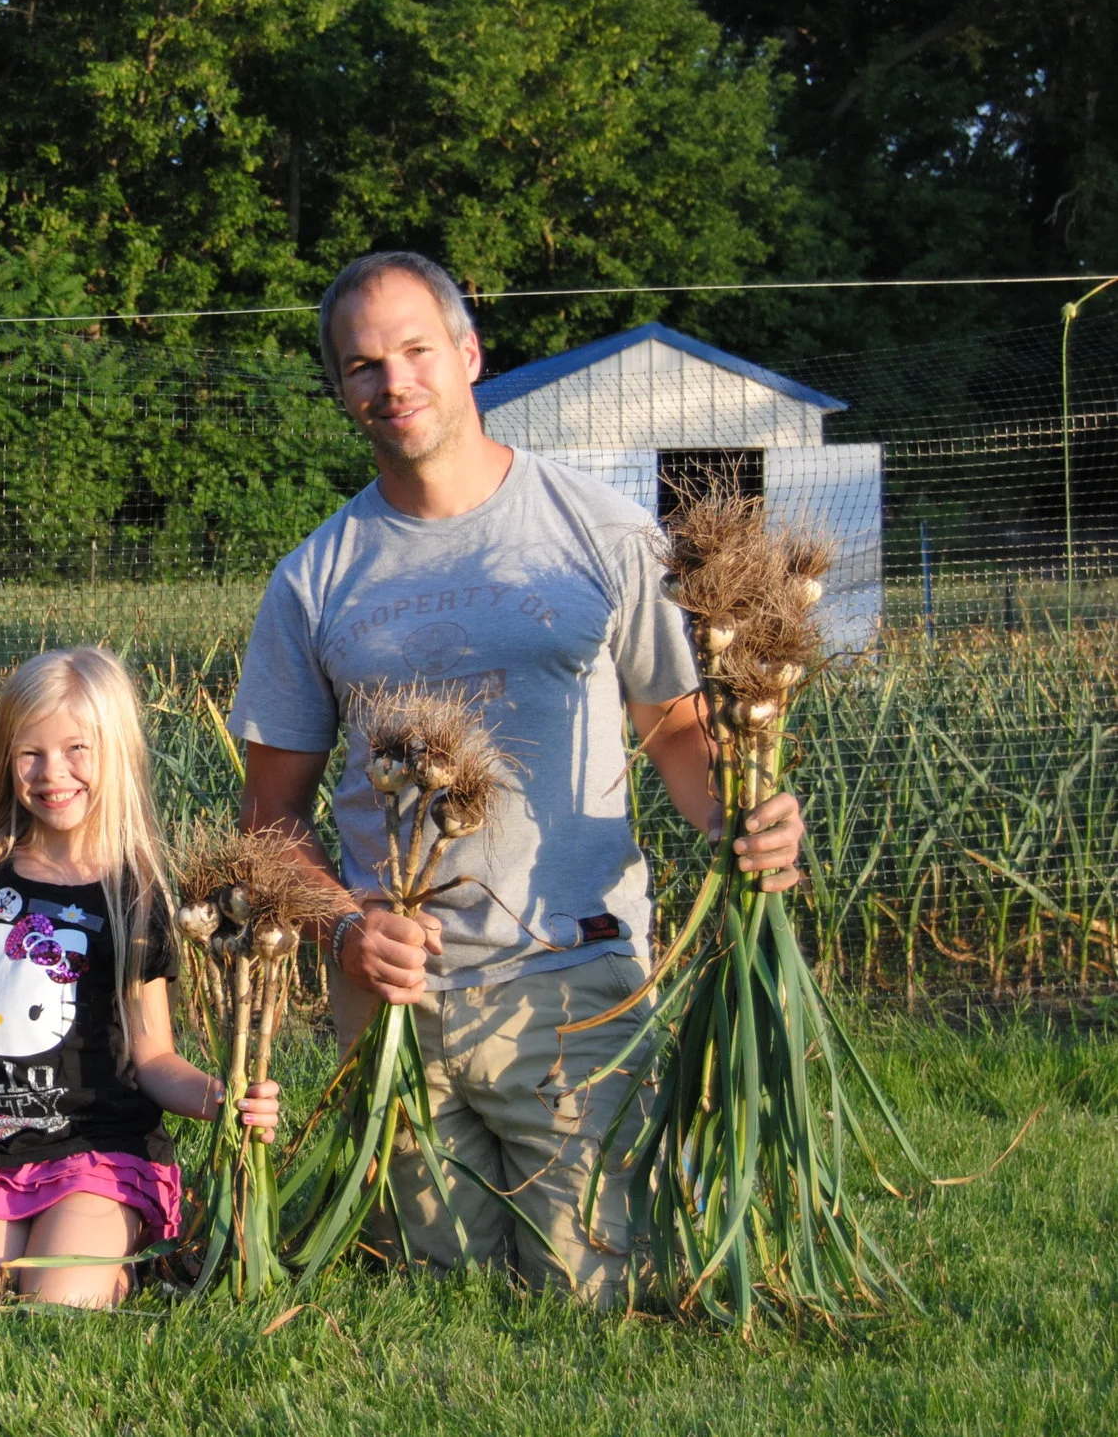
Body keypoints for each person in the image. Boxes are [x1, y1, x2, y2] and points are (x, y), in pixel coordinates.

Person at [227, 250, 806, 1304]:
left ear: (468, 354)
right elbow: (271, 816)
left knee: (594, 1293)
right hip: (393, 1002)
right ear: (341, 392)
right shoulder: (313, 577)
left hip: (567, 980)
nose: (392, 383)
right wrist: (346, 928)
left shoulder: (597, 533)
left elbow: (675, 725)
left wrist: (742, 817)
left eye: (414, 351)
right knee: (435, 1295)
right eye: (362, 366)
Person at [0, 647, 281, 1309]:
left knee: (59, 1300)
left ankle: (137, 1262)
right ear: (7, 760)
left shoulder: (135, 897)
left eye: (76, 749)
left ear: (117, 754)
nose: (52, 772)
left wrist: (223, 1098)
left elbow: (152, 1057)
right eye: (29, 753)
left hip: (102, 1152)